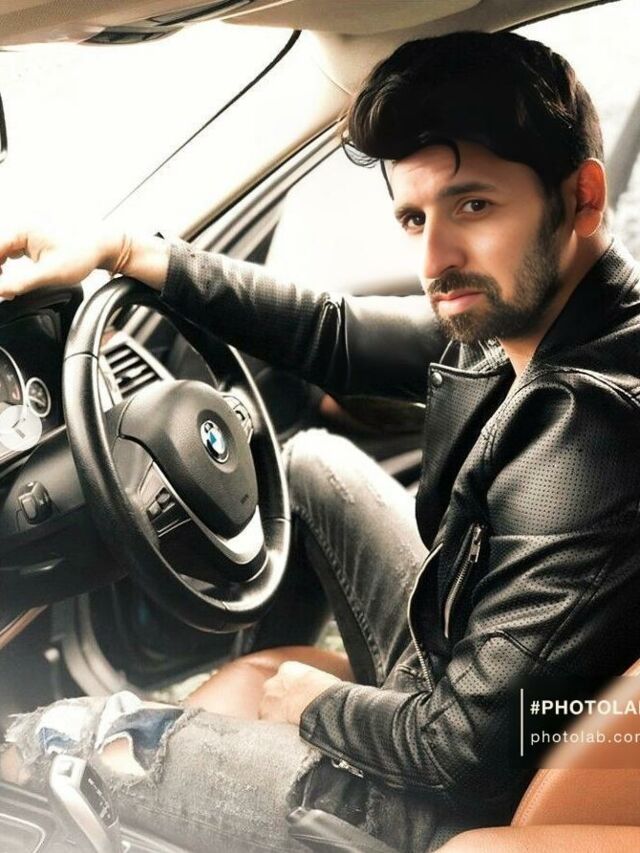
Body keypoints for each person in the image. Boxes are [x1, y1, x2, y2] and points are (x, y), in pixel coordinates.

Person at [1, 28, 640, 853]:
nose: (436, 259)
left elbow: (462, 755)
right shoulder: (553, 317)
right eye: (414, 217)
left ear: (583, 196)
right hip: (470, 662)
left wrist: (312, 701)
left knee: (49, 743)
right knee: (311, 462)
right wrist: (125, 251)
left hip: (448, 796)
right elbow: (334, 333)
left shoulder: (587, 433)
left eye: (473, 206)